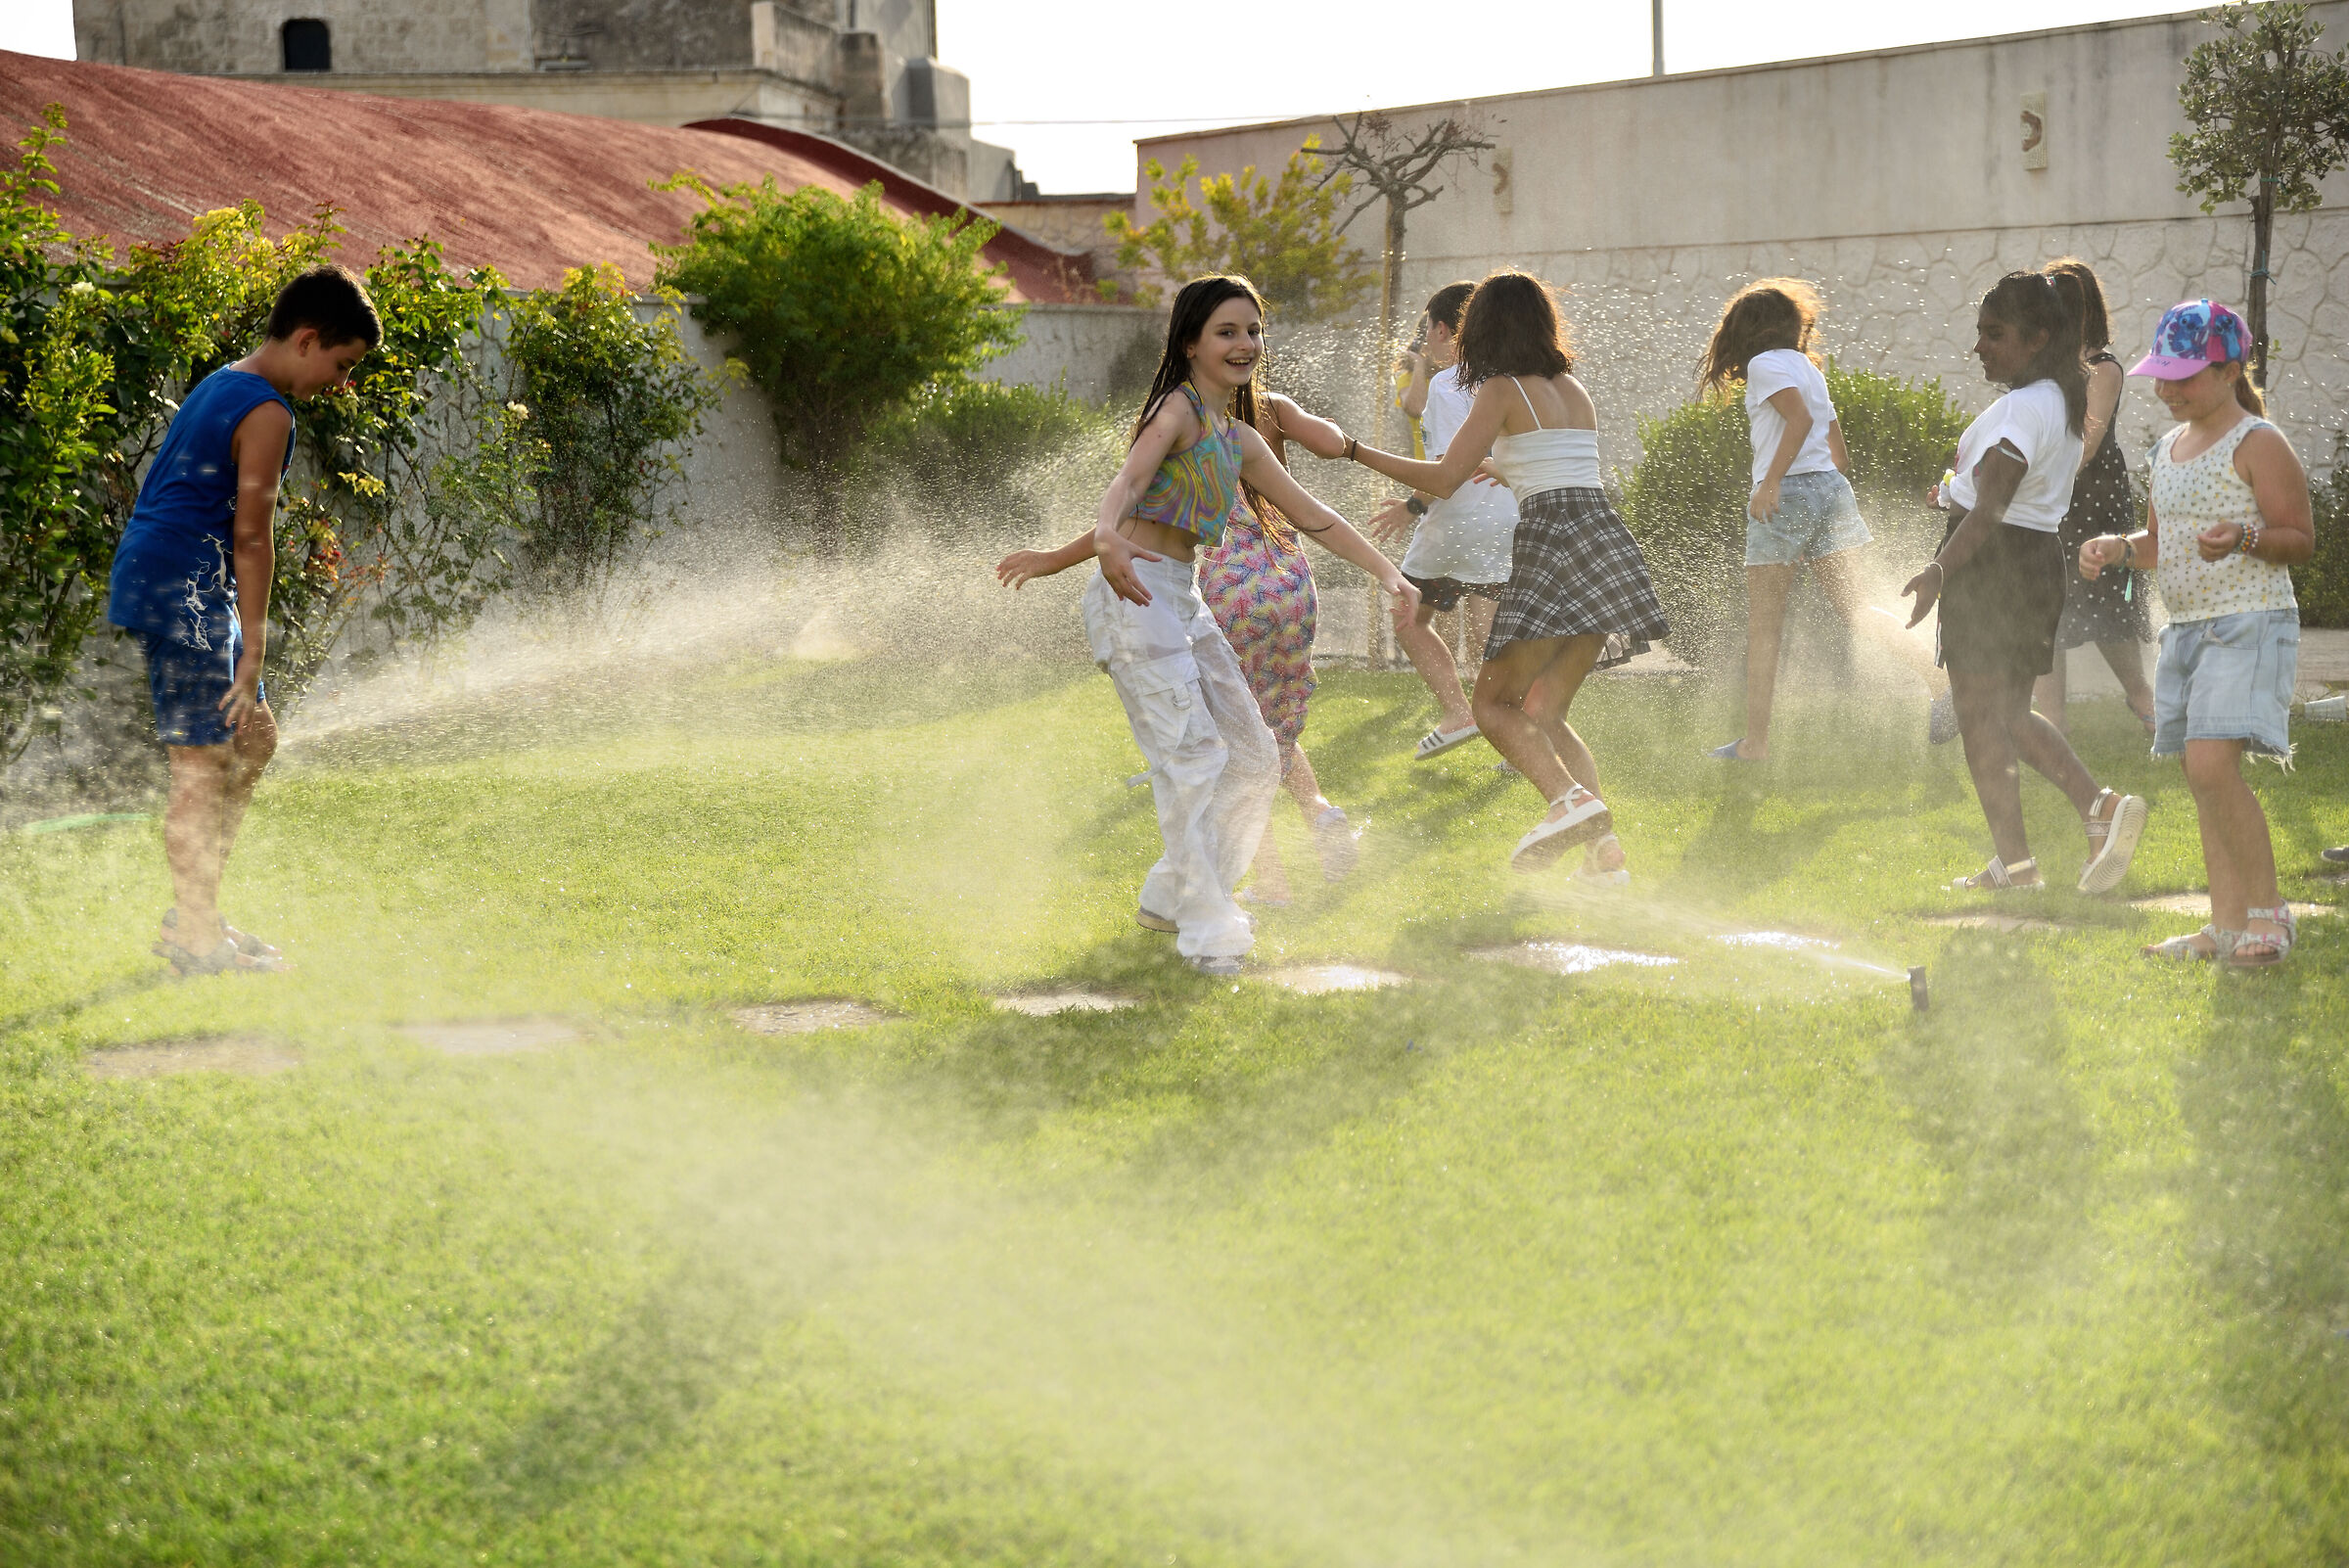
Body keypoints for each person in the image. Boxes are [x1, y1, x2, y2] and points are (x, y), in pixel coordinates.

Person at [994, 275, 1417, 972]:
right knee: (1192, 760)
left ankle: (1176, 894)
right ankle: (1208, 927)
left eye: (1252, 331)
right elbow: (1130, 485)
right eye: (1227, 331)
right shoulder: (1176, 412)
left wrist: (1388, 572)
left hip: (1182, 598)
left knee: (1254, 757)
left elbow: (1314, 516)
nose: (1245, 343)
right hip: (1136, 603)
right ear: (1190, 343)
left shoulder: (1239, 438)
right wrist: (1101, 539)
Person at [1342, 269, 1669, 881]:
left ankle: (1567, 803)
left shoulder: (1499, 389)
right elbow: (1564, 472)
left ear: (1484, 328)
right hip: (1603, 547)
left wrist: (1352, 450)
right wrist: (1505, 466)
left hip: (1553, 548)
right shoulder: (1573, 389)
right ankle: (1605, 858)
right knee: (1544, 713)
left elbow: (1443, 478)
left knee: (1492, 706)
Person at [105, 263, 379, 976]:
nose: (342, 383)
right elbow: (252, 537)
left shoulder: (225, 382)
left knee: (253, 738)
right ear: (308, 338)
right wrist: (253, 650)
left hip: (184, 579)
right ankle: (197, 943)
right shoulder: (267, 411)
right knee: (201, 764)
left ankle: (194, 915)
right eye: (342, 365)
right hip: (183, 585)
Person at [2079, 300, 2315, 965]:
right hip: (2184, 632)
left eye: (2184, 376)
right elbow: (2161, 544)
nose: (2167, 389)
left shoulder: (2257, 443)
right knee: (2202, 776)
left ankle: (2269, 916)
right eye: (2162, 375)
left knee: (2212, 767)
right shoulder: (2166, 450)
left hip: (2248, 623)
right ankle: (2225, 925)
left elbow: (2299, 538)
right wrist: (2119, 548)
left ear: (2230, 370)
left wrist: (2245, 538)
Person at [1901, 271, 2147, 896]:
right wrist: (1953, 492)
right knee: (2007, 713)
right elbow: (2004, 493)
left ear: (2037, 338)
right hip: (2036, 562)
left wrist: (1938, 570)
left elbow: (1991, 509)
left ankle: (2069, 828)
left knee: (1981, 716)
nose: (1979, 346)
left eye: (1995, 334)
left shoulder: (2021, 408)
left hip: (1993, 568)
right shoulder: (2059, 402)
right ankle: (2037, 851)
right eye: (1980, 332)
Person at [1695, 279, 1955, 761]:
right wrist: (1813, 503)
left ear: (1745, 330)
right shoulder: (1808, 369)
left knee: (1765, 625)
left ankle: (1755, 744)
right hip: (1830, 490)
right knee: (1856, 610)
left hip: (1787, 494)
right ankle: (1941, 683)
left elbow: (1799, 421)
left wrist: (1773, 483)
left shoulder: (1763, 364)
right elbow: (1839, 455)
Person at [1194, 388, 1364, 904]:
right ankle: (1320, 813)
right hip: (1290, 581)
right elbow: (1331, 442)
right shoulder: (1274, 406)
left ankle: (1272, 884)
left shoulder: (1186, 416)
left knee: (1238, 737)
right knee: (1273, 722)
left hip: (1233, 585)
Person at [1370, 280, 1517, 760]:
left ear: (1441, 329)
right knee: (1487, 629)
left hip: (1457, 520)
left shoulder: (1447, 383)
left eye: (1428, 329)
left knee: (1409, 614)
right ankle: (1516, 736)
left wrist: (1409, 507)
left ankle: (1459, 713)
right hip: (1507, 518)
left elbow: (1446, 472)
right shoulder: (1512, 379)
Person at [2034, 258, 2156, 734]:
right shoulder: (2041, 366)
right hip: (2050, 498)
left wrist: (2040, 480)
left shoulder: (2104, 368)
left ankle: (2142, 699)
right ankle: (2052, 721)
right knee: (2047, 606)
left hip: (2095, 501)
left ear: (2083, 312)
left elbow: (2087, 442)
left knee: (2109, 605)